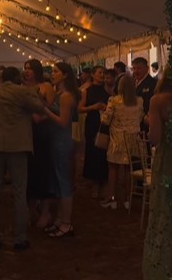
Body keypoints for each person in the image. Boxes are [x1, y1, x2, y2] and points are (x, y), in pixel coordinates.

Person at [0, 66, 46, 250]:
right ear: (17, 77)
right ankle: (20, 238)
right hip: (18, 146)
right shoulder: (22, 92)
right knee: (19, 192)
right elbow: (41, 108)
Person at [143, 66, 172, 280]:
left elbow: (155, 138)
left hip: (168, 165)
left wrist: (148, 120)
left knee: (165, 220)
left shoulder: (159, 101)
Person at [40, 62, 79, 237]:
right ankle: (59, 219)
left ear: (65, 75)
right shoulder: (58, 94)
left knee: (63, 182)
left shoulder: (66, 97)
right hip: (55, 140)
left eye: (56, 71)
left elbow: (63, 122)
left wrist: (45, 111)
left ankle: (66, 222)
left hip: (62, 141)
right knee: (57, 180)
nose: (52, 74)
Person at [100, 74, 143, 209]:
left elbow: (105, 120)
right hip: (133, 139)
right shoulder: (139, 101)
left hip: (117, 140)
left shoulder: (114, 100)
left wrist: (102, 112)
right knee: (129, 170)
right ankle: (127, 199)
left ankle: (112, 198)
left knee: (113, 170)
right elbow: (140, 118)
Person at [22, 59, 55, 229]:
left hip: (42, 131)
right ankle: (30, 208)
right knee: (29, 172)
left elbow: (50, 110)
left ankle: (46, 211)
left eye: (30, 69)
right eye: (25, 68)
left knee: (43, 170)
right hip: (26, 133)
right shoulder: (22, 88)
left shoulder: (46, 87)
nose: (27, 71)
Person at [80, 65, 109, 198]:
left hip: (104, 124)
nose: (102, 75)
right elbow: (80, 108)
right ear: (93, 74)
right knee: (93, 152)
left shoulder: (108, 89)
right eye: (99, 73)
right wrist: (93, 107)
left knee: (103, 154)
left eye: (103, 73)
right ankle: (94, 184)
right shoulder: (87, 91)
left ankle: (103, 182)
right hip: (92, 123)